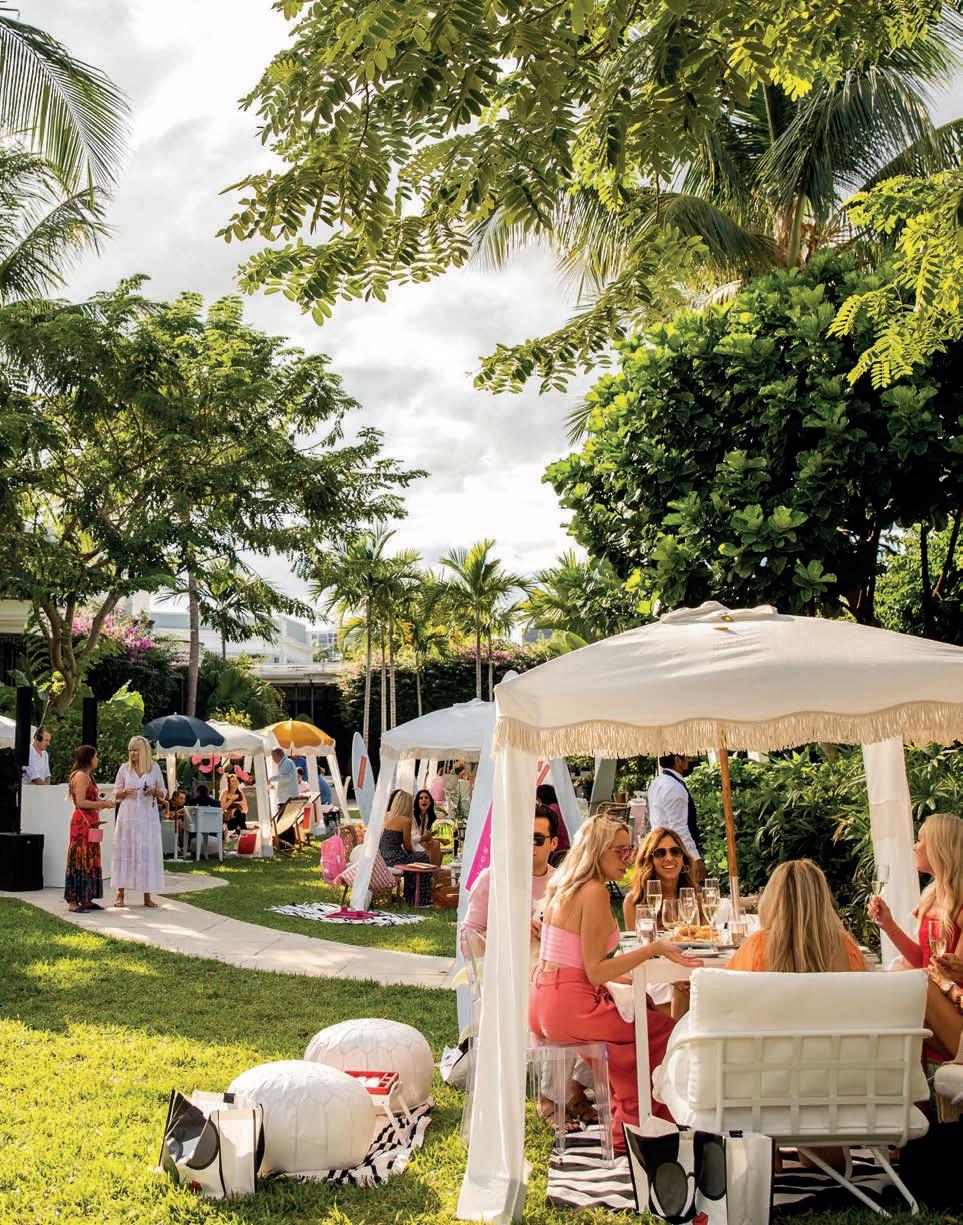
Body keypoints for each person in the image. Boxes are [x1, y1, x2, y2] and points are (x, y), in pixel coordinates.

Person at [529, 813, 702, 1151]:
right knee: (663, 1032)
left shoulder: (566, 886)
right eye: (621, 851)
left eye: (630, 850)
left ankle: (632, 1123)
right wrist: (654, 949)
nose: (629, 858)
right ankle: (640, 1129)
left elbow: (580, 965)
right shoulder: (593, 892)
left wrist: (636, 979)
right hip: (571, 1006)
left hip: (546, 1000)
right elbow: (595, 971)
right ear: (598, 851)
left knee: (644, 1016)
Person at [868, 812, 963, 1062]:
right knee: (902, 1013)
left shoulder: (961, 904)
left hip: (956, 1014)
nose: (915, 847)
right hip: (934, 1002)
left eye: (920, 840)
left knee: (907, 988)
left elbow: (952, 974)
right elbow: (923, 960)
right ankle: (911, 1087)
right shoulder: (930, 897)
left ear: (939, 847)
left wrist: (898, 979)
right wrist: (889, 926)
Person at [460, 803, 559, 961]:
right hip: (506, 972)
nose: (528, 844)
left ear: (553, 843)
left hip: (551, 972)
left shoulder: (562, 882)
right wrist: (512, 934)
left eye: (537, 839)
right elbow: (467, 944)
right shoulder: (492, 879)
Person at [730, 859, 866, 973]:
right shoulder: (846, 948)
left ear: (774, 900)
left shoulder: (757, 947)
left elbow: (730, 990)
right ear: (822, 900)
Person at [623, 826, 706, 1015]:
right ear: (649, 860)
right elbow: (638, 952)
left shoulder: (695, 899)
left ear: (683, 858)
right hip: (652, 972)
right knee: (680, 987)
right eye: (660, 853)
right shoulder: (635, 902)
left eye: (675, 851)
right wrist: (672, 977)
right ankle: (675, 1032)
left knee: (690, 985)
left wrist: (683, 974)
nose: (669, 858)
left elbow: (703, 945)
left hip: (689, 970)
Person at [112, 736, 166, 908]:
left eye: (135, 750)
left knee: (146, 852)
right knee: (124, 851)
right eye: (130, 750)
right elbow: (115, 793)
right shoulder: (124, 769)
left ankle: (147, 896)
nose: (132, 753)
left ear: (144, 752)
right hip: (128, 816)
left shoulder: (154, 768)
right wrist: (124, 792)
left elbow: (164, 792)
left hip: (147, 816)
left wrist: (154, 791)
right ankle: (120, 894)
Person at [64, 745, 113, 912]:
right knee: (81, 857)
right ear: (89, 758)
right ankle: (73, 901)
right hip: (82, 823)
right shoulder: (81, 776)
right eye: (95, 756)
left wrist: (101, 805)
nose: (97, 759)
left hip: (90, 822)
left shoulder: (87, 776)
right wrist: (102, 804)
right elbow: (81, 802)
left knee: (90, 856)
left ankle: (86, 898)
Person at [647, 754, 705, 882]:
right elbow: (678, 827)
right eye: (687, 758)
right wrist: (695, 858)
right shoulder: (673, 787)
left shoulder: (657, 782)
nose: (690, 762)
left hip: (659, 846)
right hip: (674, 850)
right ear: (678, 760)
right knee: (683, 889)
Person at [379, 790, 433, 905]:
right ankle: (420, 898)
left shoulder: (389, 817)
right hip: (394, 858)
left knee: (418, 857)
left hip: (384, 857)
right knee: (423, 857)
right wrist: (417, 854)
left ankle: (411, 895)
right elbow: (408, 847)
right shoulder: (405, 820)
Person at [269, 747, 301, 846]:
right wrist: (274, 786)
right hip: (288, 797)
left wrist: (271, 779)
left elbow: (286, 778)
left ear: (276, 755)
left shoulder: (286, 762)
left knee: (282, 822)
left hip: (286, 798)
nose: (273, 759)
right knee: (287, 822)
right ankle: (289, 843)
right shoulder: (286, 762)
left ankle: (284, 845)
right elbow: (286, 780)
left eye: (273, 757)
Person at [536, 782, 570, 854]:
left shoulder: (550, 811)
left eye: (537, 800)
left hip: (557, 850)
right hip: (566, 847)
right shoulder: (559, 807)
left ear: (541, 798)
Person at [412, 788, 443, 866]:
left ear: (430, 802)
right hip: (411, 844)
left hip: (420, 842)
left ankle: (433, 873)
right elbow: (411, 838)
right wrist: (423, 839)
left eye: (426, 798)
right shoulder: (412, 816)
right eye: (421, 798)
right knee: (434, 846)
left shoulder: (428, 817)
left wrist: (428, 840)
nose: (424, 800)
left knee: (435, 844)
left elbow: (426, 836)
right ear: (417, 802)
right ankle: (432, 872)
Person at [220, 773, 249, 838]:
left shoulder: (241, 793)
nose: (235, 782)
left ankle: (239, 829)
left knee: (239, 813)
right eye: (232, 781)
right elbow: (221, 808)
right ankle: (243, 831)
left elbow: (246, 810)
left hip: (238, 818)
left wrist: (241, 804)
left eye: (236, 780)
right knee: (238, 812)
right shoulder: (225, 792)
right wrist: (231, 800)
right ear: (229, 783)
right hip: (228, 818)